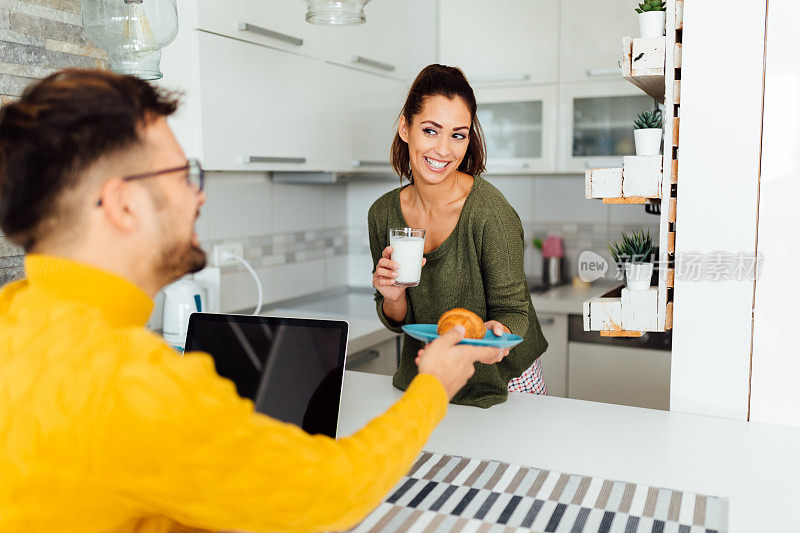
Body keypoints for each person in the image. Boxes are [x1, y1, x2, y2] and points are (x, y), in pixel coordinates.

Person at [0, 69, 503, 533]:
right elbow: (329, 492)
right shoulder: (135, 387)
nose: (198, 196)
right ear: (122, 204)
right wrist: (433, 386)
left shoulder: (12, 316)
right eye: (183, 176)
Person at [369, 64, 549, 408]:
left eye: (458, 135)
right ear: (405, 128)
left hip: (506, 380)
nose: (443, 150)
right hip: (429, 379)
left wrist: (497, 339)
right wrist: (393, 297)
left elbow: (513, 312)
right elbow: (397, 322)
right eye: (430, 130)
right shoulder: (383, 214)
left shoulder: (489, 213)